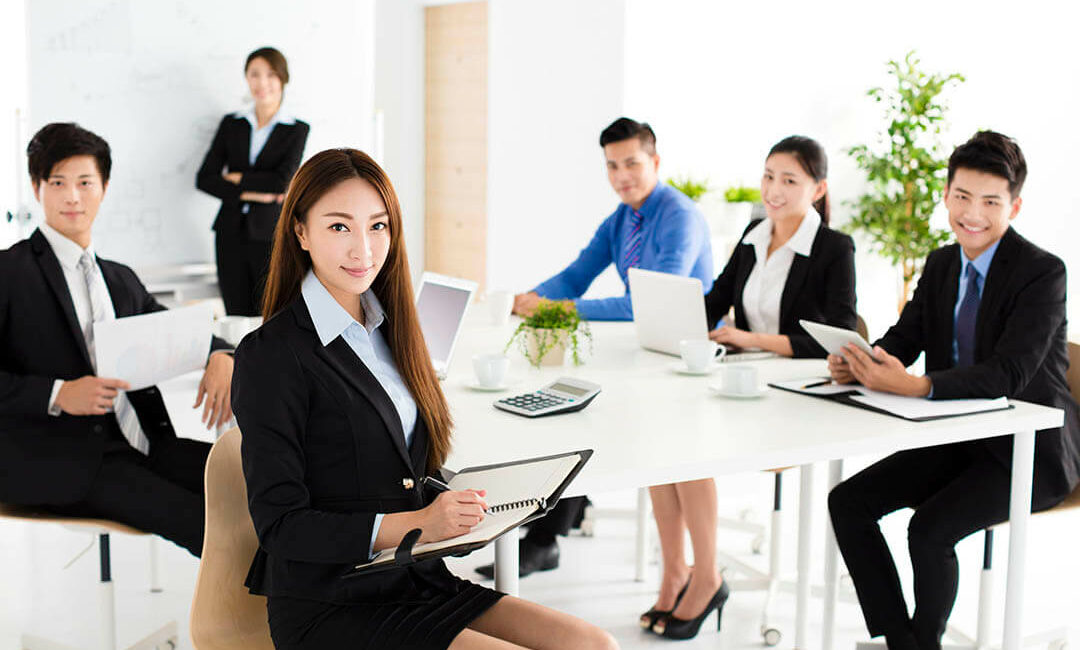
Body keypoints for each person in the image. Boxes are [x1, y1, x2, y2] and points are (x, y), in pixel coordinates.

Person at [230, 148, 617, 650]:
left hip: (414, 578)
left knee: (595, 645)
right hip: (329, 601)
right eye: (339, 227)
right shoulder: (271, 356)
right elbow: (281, 526)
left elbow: (394, 466)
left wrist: (470, 502)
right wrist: (417, 524)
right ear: (300, 232)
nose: (363, 249)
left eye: (378, 226)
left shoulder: (391, 331)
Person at [827, 131, 1080, 650]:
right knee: (849, 503)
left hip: (1029, 452)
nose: (973, 214)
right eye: (962, 196)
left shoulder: (1043, 273)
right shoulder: (942, 263)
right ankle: (905, 640)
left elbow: (1008, 373)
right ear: (945, 195)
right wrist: (864, 359)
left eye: (991, 202)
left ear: (1016, 205)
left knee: (929, 529)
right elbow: (907, 336)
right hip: (960, 439)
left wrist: (917, 385)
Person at [644, 135, 857, 640]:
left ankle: (707, 576)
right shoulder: (753, 233)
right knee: (663, 442)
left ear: (818, 188)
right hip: (742, 380)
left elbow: (837, 335)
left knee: (689, 449)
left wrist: (750, 338)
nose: (774, 190)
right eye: (768, 176)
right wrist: (669, 319)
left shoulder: (833, 248)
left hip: (797, 396)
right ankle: (676, 572)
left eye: (789, 180)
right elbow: (716, 298)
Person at [493, 117, 713, 580]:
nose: (621, 176)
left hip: (684, 361)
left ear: (655, 161)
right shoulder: (622, 219)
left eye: (631, 163)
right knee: (561, 401)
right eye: (612, 166)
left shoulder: (680, 216)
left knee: (576, 409)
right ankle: (545, 534)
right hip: (644, 350)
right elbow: (574, 276)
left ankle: (549, 533)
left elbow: (644, 302)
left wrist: (558, 307)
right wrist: (524, 301)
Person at [0, 123, 235, 556]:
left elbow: (180, 331)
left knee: (248, 479)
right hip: (58, 458)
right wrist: (57, 393)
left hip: (141, 443)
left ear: (104, 188)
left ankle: (298, 602)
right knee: (201, 520)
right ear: (37, 188)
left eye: (85, 182)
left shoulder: (119, 279)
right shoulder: (9, 273)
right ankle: (252, 618)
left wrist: (222, 354)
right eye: (58, 183)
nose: (73, 196)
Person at [196, 46, 310, 317]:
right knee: (235, 316)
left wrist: (238, 180)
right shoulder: (232, 124)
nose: (262, 83)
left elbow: (281, 182)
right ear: (246, 78)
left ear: (283, 79)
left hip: (270, 234)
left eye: (270, 75)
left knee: (271, 314)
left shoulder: (296, 129)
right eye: (254, 74)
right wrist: (255, 193)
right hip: (229, 233)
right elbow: (205, 179)